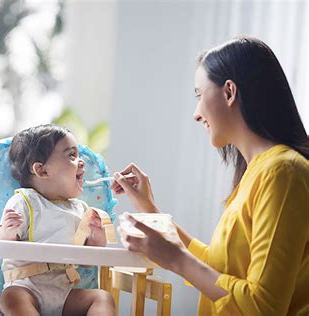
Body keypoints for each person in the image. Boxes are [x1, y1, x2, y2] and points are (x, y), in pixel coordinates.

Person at [112, 36, 309, 315]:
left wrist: (176, 260)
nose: (196, 114)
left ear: (229, 92)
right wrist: (150, 209)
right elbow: (217, 268)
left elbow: (263, 306)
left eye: (199, 95)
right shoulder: (261, 171)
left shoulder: (283, 172)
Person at [0, 124, 115, 316]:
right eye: (71, 156)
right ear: (42, 171)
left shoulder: (80, 209)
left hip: (64, 292)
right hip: (25, 288)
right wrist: (5, 234)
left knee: (102, 297)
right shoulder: (24, 202)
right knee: (11, 299)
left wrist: (97, 238)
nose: (81, 162)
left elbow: (87, 261)